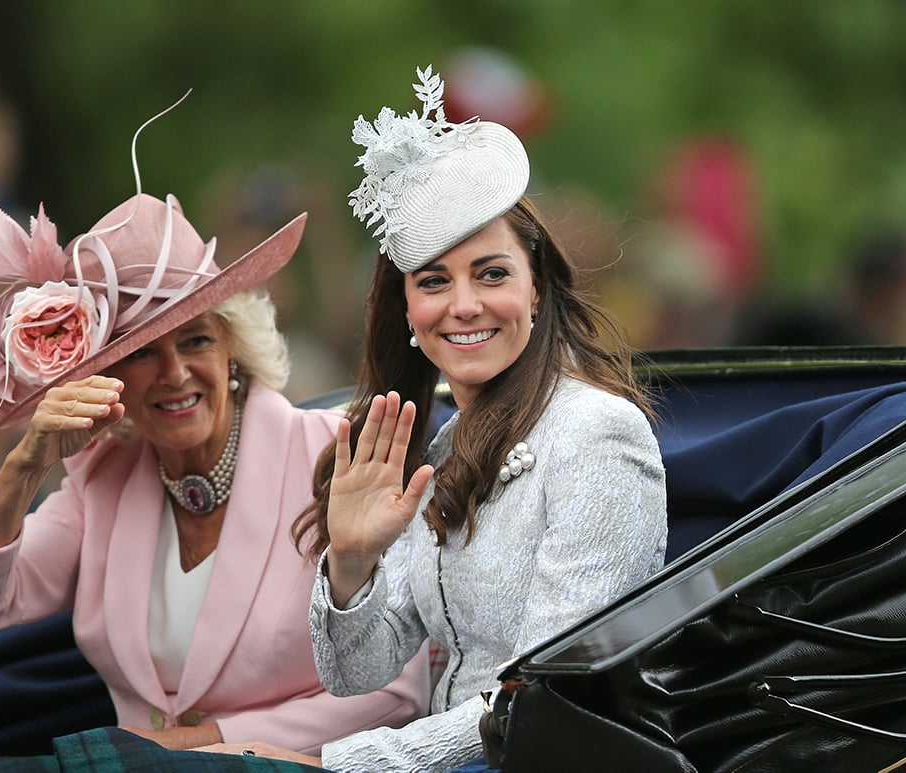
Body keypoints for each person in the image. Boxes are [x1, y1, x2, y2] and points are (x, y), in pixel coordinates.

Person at [199, 65, 667, 771]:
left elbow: (539, 698)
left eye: (492, 273)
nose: (464, 305)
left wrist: (335, 763)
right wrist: (351, 563)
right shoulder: (441, 446)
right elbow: (356, 671)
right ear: (409, 311)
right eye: (434, 281)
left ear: (536, 289)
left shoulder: (599, 434)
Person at [0, 132, 430, 754]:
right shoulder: (102, 477)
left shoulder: (332, 458)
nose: (173, 375)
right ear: (109, 379)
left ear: (233, 352)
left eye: (195, 341)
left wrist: (201, 745)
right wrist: (26, 464)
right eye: (141, 354)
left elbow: (396, 692)